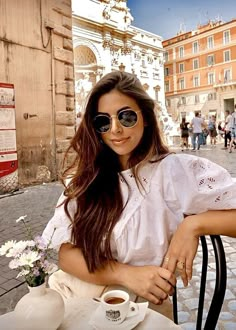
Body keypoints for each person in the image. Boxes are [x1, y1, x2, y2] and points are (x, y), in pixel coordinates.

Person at [42, 71, 236, 320]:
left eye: (126, 116)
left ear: (145, 118)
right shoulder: (88, 177)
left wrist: (194, 225)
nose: (116, 129)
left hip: (140, 314)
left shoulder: (175, 172)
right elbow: (66, 256)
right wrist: (124, 274)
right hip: (73, 302)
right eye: (103, 121)